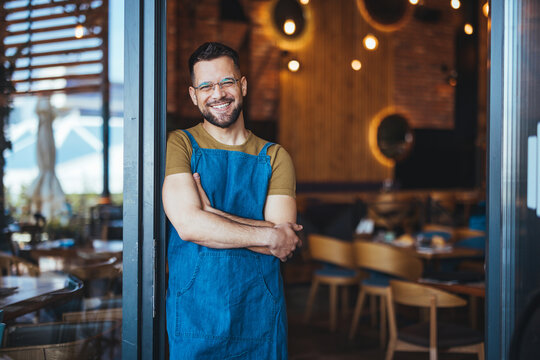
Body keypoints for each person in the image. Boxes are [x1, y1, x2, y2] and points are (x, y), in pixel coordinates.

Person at [162, 42, 302, 359]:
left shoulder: (275, 156)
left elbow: (285, 243)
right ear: (193, 95)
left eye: (227, 82)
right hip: (195, 311)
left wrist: (210, 214)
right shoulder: (179, 144)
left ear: (243, 85)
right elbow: (188, 225)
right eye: (206, 86)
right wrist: (268, 234)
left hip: (260, 312)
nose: (218, 94)